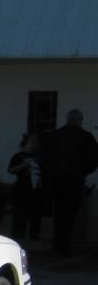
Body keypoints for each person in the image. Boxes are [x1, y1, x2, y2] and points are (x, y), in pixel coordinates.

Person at [47, 109, 98, 256]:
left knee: (58, 212)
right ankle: (65, 245)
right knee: (71, 214)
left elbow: (45, 159)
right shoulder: (86, 137)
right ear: (80, 121)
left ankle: (57, 244)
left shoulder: (55, 136)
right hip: (75, 180)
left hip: (56, 180)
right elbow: (94, 160)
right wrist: (83, 171)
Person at [8, 134, 43, 240]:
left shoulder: (39, 157)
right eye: (32, 141)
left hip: (36, 191)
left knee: (35, 216)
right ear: (26, 143)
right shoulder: (18, 156)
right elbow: (11, 170)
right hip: (22, 189)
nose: (35, 144)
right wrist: (24, 165)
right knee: (20, 215)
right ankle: (18, 237)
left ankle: (34, 237)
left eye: (36, 142)